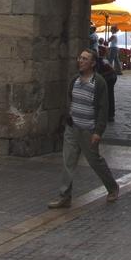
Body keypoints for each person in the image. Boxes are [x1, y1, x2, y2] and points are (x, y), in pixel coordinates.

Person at [47, 48, 119, 208]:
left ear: (93, 63)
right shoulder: (74, 80)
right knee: (68, 162)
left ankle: (112, 187)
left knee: (95, 161)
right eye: (80, 57)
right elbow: (70, 100)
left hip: (88, 130)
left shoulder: (99, 82)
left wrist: (98, 132)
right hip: (72, 128)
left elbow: (103, 108)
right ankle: (64, 195)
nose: (80, 60)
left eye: (85, 58)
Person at [96, 52, 117, 121]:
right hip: (107, 76)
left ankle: (110, 114)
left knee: (109, 95)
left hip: (110, 78)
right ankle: (109, 114)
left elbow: (112, 70)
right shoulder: (99, 61)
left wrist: (101, 76)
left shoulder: (101, 61)